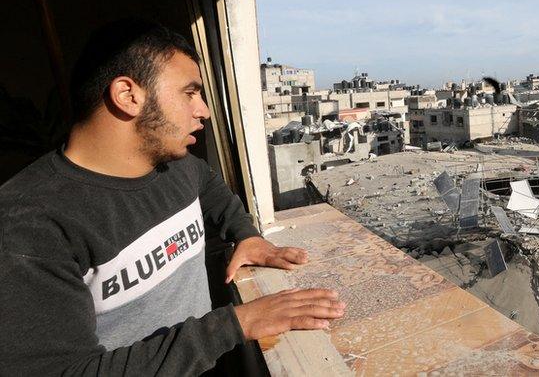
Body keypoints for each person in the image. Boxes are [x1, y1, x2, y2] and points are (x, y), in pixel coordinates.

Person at [0, 19, 345, 375]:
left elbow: (208, 184)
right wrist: (234, 324)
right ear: (128, 95)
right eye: (190, 93)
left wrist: (246, 233)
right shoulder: (28, 225)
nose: (204, 111)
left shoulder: (173, 168)